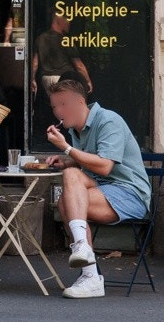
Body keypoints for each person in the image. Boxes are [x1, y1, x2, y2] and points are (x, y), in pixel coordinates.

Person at [44, 79, 152, 300]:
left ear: (80, 102)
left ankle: (89, 271)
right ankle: (87, 263)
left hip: (129, 193)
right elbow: (88, 162)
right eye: (54, 106)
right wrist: (67, 162)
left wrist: (66, 148)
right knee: (70, 176)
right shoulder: (76, 130)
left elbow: (104, 166)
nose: (58, 111)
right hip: (102, 188)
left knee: (67, 201)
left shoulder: (108, 120)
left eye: (63, 104)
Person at [33, 8, 91, 94]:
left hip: (46, 79)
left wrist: (32, 79)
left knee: (55, 101)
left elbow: (35, 63)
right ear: (59, 21)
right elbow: (79, 66)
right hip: (64, 78)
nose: (69, 23)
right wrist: (88, 81)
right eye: (67, 20)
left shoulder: (40, 38)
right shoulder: (65, 41)